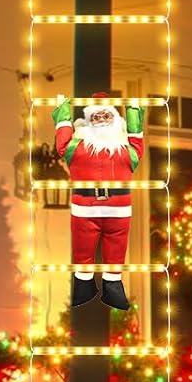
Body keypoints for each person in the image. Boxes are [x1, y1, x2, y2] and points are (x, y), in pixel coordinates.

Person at [52, 95, 144, 310]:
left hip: (118, 212)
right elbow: (63, 144)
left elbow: (136, 140)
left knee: (116, 254)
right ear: (88, 120)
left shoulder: (126, 150)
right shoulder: (77, 147)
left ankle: (113, 291)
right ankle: (84, 290)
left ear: (115, 119)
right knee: (82, 253)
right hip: (85, 210)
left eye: (106, 115)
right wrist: (62, 109)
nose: (101, 119)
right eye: (96, 116)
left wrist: (133, 110)